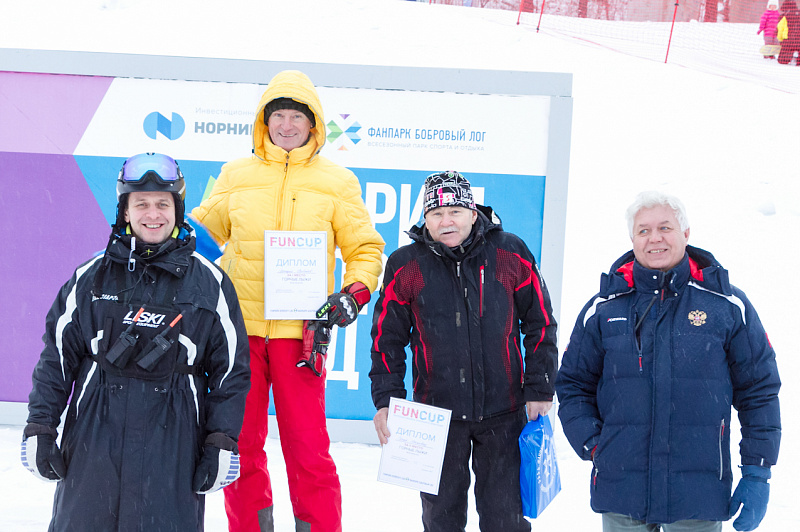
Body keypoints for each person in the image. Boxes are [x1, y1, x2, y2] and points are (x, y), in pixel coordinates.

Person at [192, 69, 385, 532]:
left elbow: (364, 250)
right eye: (278, 115)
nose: (286, 125)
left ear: (313, 123)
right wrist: (154, 235)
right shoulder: (236, 175)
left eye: (297, 116)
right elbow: (199, 238)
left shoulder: (337, 181)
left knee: (308, 449)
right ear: (265, 121)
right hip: (239, 334)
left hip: (302, 336)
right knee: (238, 444)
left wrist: (353, 295)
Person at [21, 153, 251, 531]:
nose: (152, 214)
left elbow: (231, 372)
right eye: (141, 204)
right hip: (94, 439)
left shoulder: (210, 283)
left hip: (174, 442)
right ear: (125, 211)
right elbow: (57, 358)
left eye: (163, 204)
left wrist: (221, 439)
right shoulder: (91, 277)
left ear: (178, 211)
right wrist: (41, 427)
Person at [556, 191, 781, 532]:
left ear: (686, 233)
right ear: (633, 239)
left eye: (665, 227)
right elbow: (573, 385)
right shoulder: (604, 309)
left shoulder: (726, 305)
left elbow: (758, 390)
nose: (655, 238)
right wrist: (596, 445)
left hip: (697, 494)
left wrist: (758, 470)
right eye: (643, 230)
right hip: (622, 491)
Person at [369, 171, 558, 532]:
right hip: (434, 419)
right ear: (425, 219)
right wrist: (387, 400)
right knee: (441, 521)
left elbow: (541, 322)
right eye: (436, 213)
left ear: (473, 213)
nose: (447, 221)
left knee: (506, 520)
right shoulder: (406, 265)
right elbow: (386, 339)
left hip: (504, 412)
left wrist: (540, 387)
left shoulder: (510, 252)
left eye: (455, 211)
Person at [777, 0, 800, 64]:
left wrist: (780, 39)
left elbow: (780, 28)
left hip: (788, 41)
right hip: (798, 40)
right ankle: (797, 57)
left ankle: (792, 54)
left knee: (781, 59)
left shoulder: (783, 16)